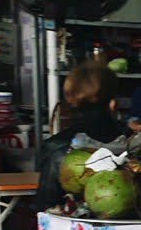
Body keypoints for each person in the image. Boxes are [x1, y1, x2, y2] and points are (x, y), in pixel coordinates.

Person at [34, 61, 127, 211]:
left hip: (72, 229)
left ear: (71, 98)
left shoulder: (56, 147)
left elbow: (45, 205)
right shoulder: (135, 143)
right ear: (113, 98)